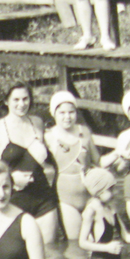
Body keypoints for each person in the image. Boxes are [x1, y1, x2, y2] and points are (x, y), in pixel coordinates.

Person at [0, 84, 59, 243]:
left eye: (25, 99)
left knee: (51, 254)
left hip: (43, 197)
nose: (21, 104)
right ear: (6, 101)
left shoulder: (37, 123)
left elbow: (52, 157)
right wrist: (11, 178)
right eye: (16, 100)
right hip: (12, 199)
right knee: (16, 257)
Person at [44, 90, 101, 240]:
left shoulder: (85, 132)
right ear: (54, 114)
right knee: (75, 244)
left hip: (89, 195)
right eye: (62, 113)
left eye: (71, 112)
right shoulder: (49, 137)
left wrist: (117, 156)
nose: (67, 117)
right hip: (66, 199)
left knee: (100, 240)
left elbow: (97, 161)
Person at [77, 167, 130, 259]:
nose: (115, 192)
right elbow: (82, 242)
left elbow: (126, 237)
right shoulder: (91, 210)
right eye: (111, 189)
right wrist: (107, 248)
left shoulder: (111, 208)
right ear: (99, 191)